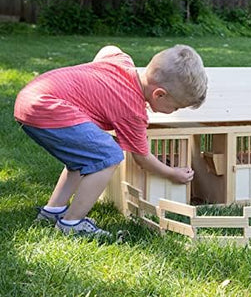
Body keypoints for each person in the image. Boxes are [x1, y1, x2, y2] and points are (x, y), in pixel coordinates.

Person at [14, 44, 208, 237]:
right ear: (159, 94)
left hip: (31, 98)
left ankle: (53, 211)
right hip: (47, 107)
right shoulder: (132, 111)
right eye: (175, 108)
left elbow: (109, 49)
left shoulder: (122, 62)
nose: (173, 112)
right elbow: (142, 157)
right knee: (109, 155)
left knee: (83, 158)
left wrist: (94, 87)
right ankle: (72, 224)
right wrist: (172, 174)